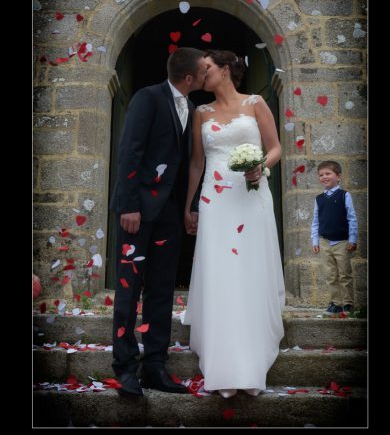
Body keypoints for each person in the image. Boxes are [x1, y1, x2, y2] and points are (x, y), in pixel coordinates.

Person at [183, 49, 285, 398]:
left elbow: (275, 148)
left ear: (225, 70)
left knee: (249, 266)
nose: (202, 74)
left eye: (207, 68)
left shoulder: (255, 102)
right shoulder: (201, 113)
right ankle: (222, 356)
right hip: (216, 198)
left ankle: (252, 348)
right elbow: (197, 163)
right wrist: (189, 206)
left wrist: (260, 165)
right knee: (221, 269)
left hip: (251, 194)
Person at [110, 47, 208, 397]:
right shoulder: (147, 98)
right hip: (137, 212)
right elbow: (130, 151)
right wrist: (129, 205)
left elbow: (190, 165)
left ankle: (154, 365)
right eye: (204, 69)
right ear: (189, 77)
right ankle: (124, 368)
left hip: (169, 215)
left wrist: (188, 208)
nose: (208, 74)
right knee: (128, 288)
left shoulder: (193, 109)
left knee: (162, 290)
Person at [311, 160, 358, 314]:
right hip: (325, 242)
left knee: (345, 274)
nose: (324, 177)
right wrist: (315, 240)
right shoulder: (319, 199)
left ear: (338, 177)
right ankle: (335, 303)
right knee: (330, 275)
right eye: (321, 175)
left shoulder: (345, 195)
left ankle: (348, 303)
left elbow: (352, 218)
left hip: (342, 242)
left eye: (328, 174)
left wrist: (352, 239)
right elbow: (315, 221)